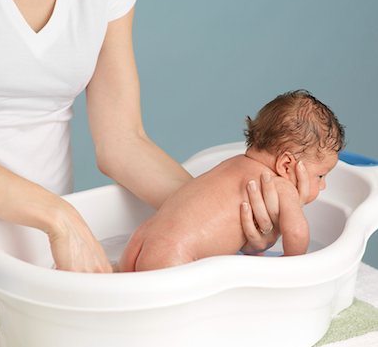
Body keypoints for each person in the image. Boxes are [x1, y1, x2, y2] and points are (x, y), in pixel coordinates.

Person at [0, 0, 285, 273]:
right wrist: (56, 215)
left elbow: (123, 142)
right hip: (12, 240)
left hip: (47, 259)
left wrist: (225, 213)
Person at [118, 90, 345, 272]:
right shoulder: (280, 186)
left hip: (139, 242)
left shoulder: (230, 165)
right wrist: (293, 267)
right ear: (286, 165)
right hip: (176, 257)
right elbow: (296, 232)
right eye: (321, 176)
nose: (323, 185)